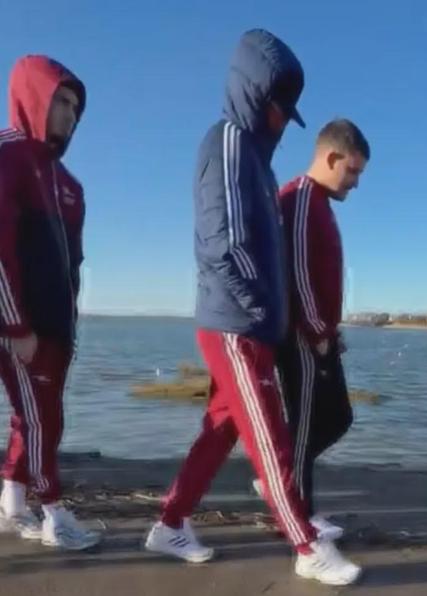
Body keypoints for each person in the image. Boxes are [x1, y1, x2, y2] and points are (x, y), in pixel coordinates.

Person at [145, 29, 361, 587]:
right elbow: (224, 242)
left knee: (221, 429)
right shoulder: (227, 142)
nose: (283, 122)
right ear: (255, 94)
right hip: (236, 324)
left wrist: (271, 316)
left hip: (251, 323)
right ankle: (306, 545)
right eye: (279, 107)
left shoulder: (258, 164)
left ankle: (170, 522)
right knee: (271, 437)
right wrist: (260, 312)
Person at [0, 55, 100, 550]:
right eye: (61, 101)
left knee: (36, 416)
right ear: (34, 96)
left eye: (76, 107)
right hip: (17, 324)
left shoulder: (70, 186)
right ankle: (54, 515)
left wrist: (69, 328)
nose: (69, 114)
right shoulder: (6, 154)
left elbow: (72, 267)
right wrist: (15, 325)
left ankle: (12, 505)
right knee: (43, 418)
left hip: (54, 328)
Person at [274, 119, 369, 540]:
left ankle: (281, 479)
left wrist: (332, 331)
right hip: (302, 336)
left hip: (321, 334)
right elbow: (296, 272)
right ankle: (298, 511)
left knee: (339, 417)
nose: (355, 183)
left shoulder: (319, 204)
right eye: (352, 171)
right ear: (331, 158)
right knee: (308, 424)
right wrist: (317, 331)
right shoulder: (299, 198)